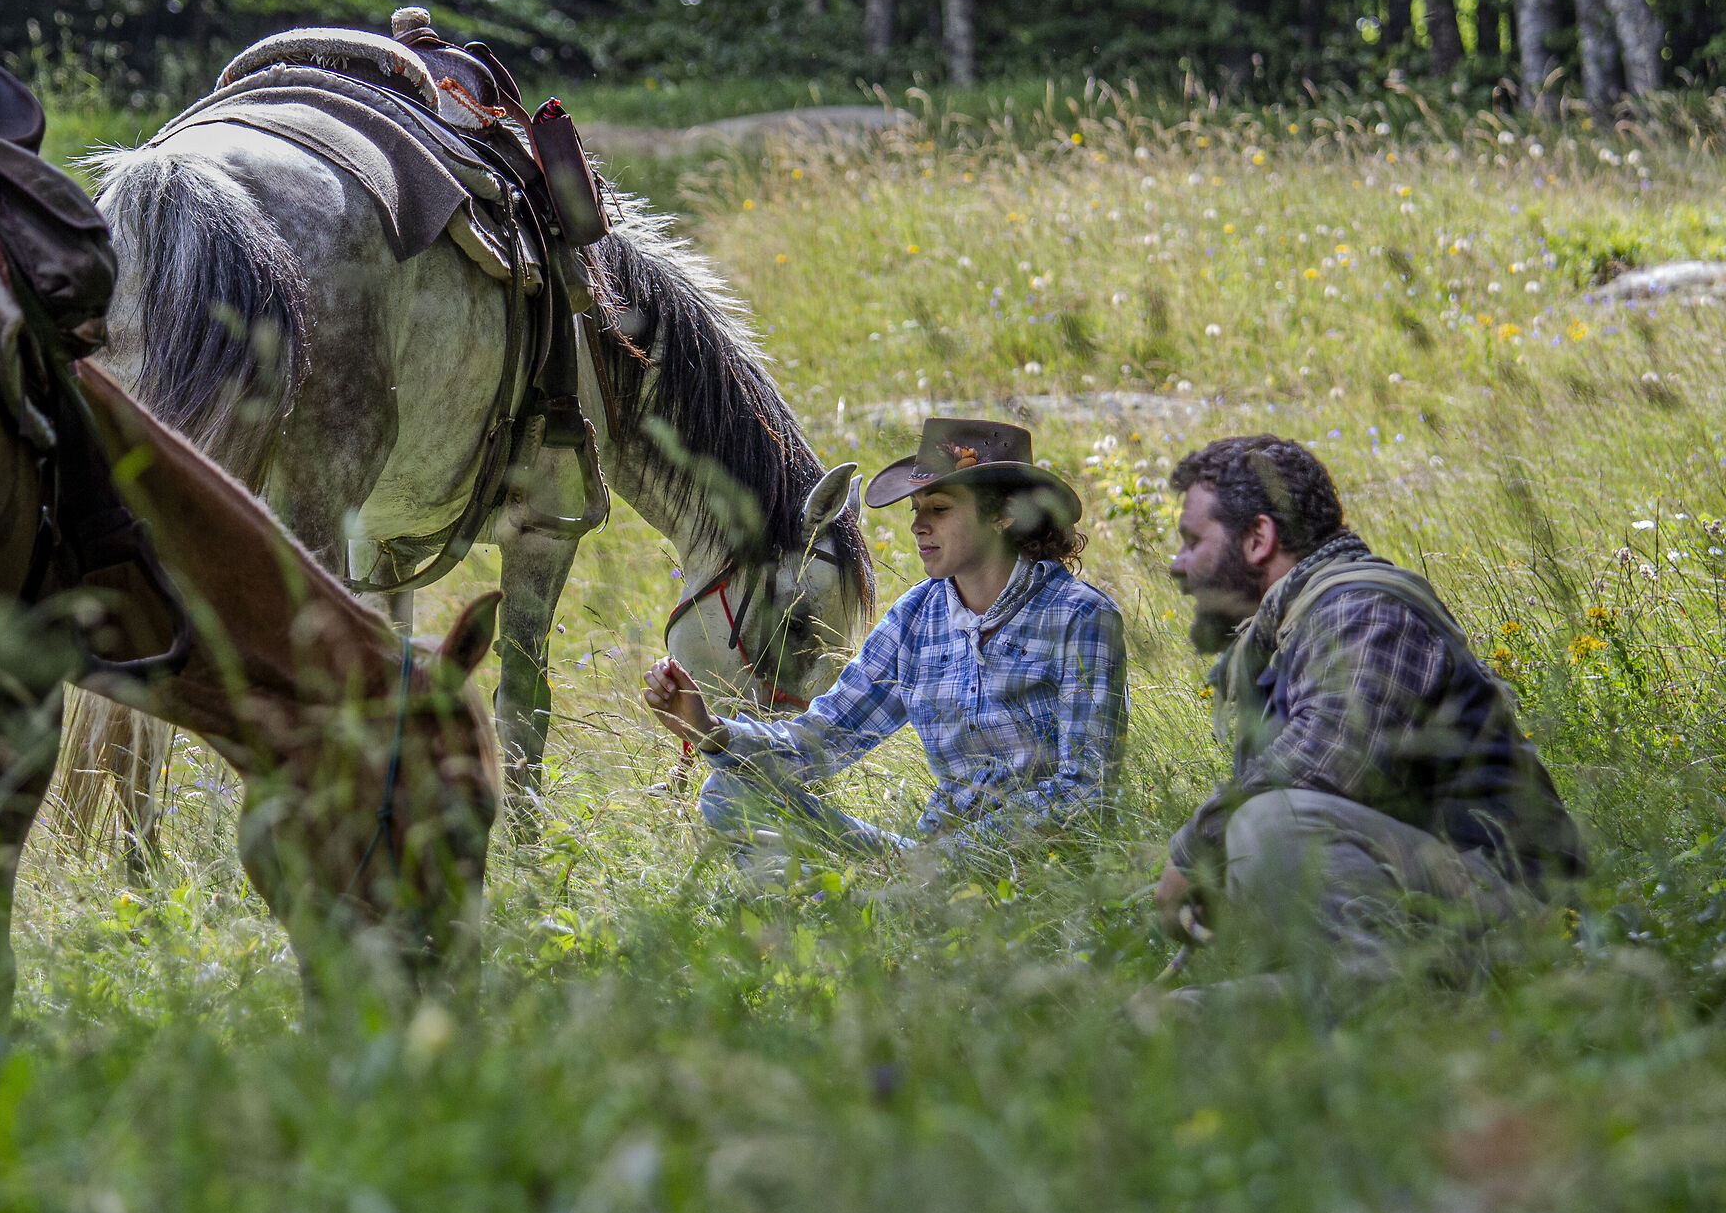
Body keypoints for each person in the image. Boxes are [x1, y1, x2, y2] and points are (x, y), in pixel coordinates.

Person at [1155, 435, 1585, 980]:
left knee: (1268, 823)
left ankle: (1407, 1007)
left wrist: (1195, 848)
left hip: (1527, 915)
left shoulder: (1358, 606)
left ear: (1258, 537)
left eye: (1193, 540)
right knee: (1168, 1020)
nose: (1177, 565)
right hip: (1443, 901)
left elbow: (1333, 755)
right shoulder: (1295, 626)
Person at [643, 417, 1126, 867]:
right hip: (924, 860)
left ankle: (854, 914)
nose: (918, 525)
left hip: (1033, 869)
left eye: (939, 508)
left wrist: (946, 861)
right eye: (916, 509)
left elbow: (1087, 793)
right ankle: (801, 931)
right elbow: (819, 742)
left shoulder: (1080, 616)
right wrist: (711, 729)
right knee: (728, 793)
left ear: (1003, 516)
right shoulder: (916, 617)